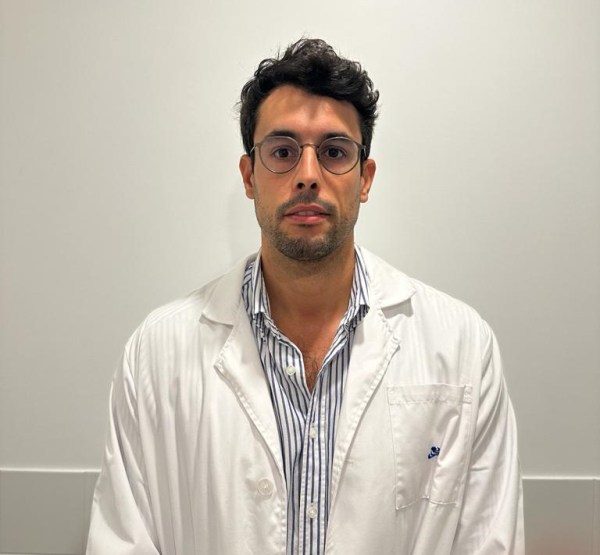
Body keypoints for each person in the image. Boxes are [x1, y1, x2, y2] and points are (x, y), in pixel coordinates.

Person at [86, 38, 524, 554]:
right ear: (250, 177)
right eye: (282, 152)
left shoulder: (463, 345)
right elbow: (123, 540)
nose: (308, 176)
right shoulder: (156, 353)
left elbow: (487, 540)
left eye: (335, 152)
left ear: (365, 179)